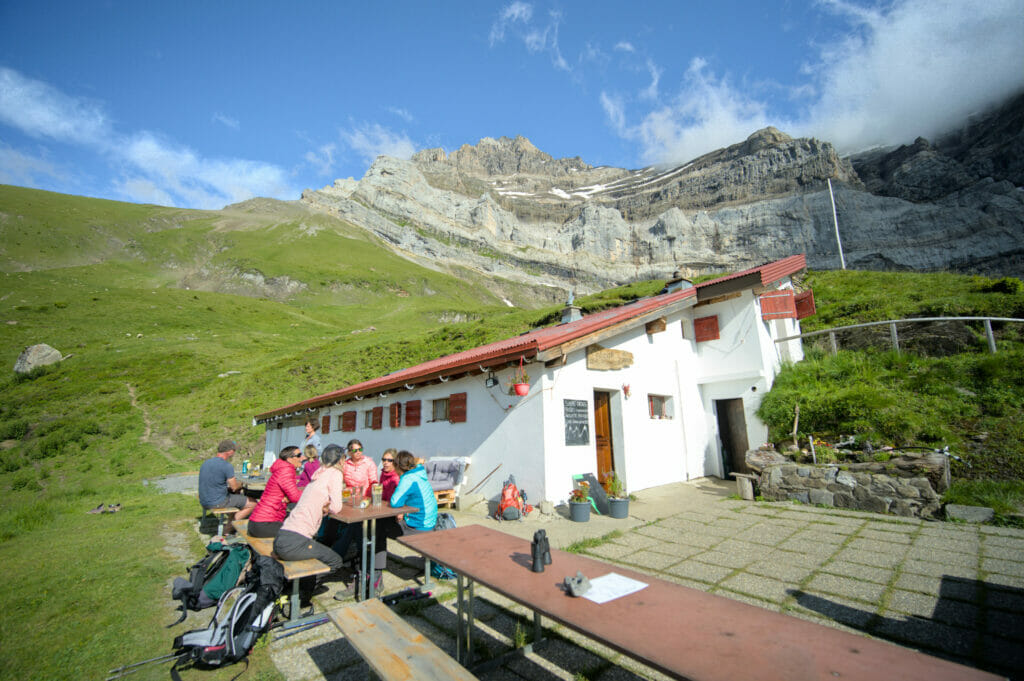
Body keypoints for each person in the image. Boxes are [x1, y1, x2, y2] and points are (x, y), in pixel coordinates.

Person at [273, 444, 348, 574]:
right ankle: (305, 590)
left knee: (321, 550)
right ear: (340, 460)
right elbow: (336, 508)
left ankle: (301, 585)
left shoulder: (318, 473)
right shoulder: (335, 473)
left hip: (282, 536)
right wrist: (328, 507)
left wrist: (325, 506)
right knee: (335, 561)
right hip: (295, 542)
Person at [329, 439, 380, 563]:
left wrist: (374, 489)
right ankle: (357, 555)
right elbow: (341, 480)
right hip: (349, 499)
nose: (358, 452)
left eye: (360, 449)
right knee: (335, 519)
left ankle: (338, 553)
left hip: (364, 500)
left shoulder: (369, 463)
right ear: (350, 452)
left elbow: (373, 480)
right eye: (355, 450)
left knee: (354, 525)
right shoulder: (346, 464)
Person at [247, 446, 304, 538]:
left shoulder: (282, 469)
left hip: (260, 521)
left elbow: (289, 494)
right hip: (264, 524)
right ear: (289, 459)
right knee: (301, 531)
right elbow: (295, 497)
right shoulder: (286, 471)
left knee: (296, 522)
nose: (302, 458)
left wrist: (288, 497)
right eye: (299, 455)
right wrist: (310, 493)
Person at [198, 439, 255, 532]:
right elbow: (234, 487)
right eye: (234, 451)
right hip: (216, 502)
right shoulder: (226, 466)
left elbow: (215, 481)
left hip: (204, 499)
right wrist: (240, 484)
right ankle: (228, 528)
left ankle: (230, 520)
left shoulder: (206, 462)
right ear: (230, 452)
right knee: (252, 503)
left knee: (235, 497)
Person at [390, 450, 437, 534]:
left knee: (383, 524)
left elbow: (395, 502)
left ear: (397, 467)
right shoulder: (419, 472)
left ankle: (378, 547)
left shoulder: (408, 479)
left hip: (419, 526)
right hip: (430, 522)